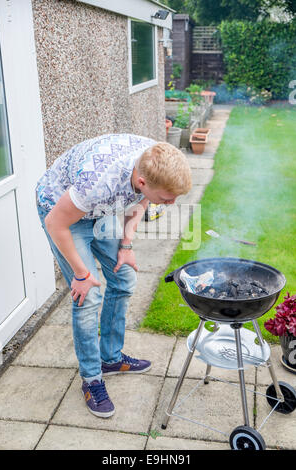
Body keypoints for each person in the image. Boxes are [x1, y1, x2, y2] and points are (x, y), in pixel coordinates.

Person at [36, 133, 192, 418]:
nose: (171, 204)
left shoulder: (152, 161)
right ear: (143, 181)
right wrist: (81, 274)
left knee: (123, 279)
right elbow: (54, 223)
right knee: (89, 296)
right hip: (62, 211)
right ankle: (92, 378)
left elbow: (143, 200)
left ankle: (111, 358)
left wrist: (127, 245)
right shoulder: (99, 182)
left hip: (99, 209)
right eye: (168, 199)